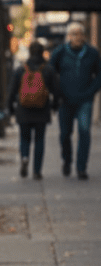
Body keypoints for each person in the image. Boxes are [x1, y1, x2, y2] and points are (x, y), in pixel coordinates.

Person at [49, 22, 101, 180]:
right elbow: (50, 73)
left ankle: (81, 168)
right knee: (65, 134)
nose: (77, 37)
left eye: (80, 34)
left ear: (84, 36)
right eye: (74, 34)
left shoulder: (92, 53)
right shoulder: (59, 53)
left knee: (84, 133)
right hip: (65, 100)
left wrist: (90, 92)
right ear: (69, 36)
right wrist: (57, 93)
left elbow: (99, 75)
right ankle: (67, 160)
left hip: (85, 100)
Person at [6, 41, 60, 180]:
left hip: (23, 110)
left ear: (30, 52)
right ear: (42, 52)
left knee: (24, 138)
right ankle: (37, 171)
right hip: (42, 109)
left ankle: (24, 157)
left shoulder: (21, 69)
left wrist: (10, 108)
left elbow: (12, 91)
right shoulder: (48, 69)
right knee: (39, 140)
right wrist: (54, 106)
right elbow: (56, 91)